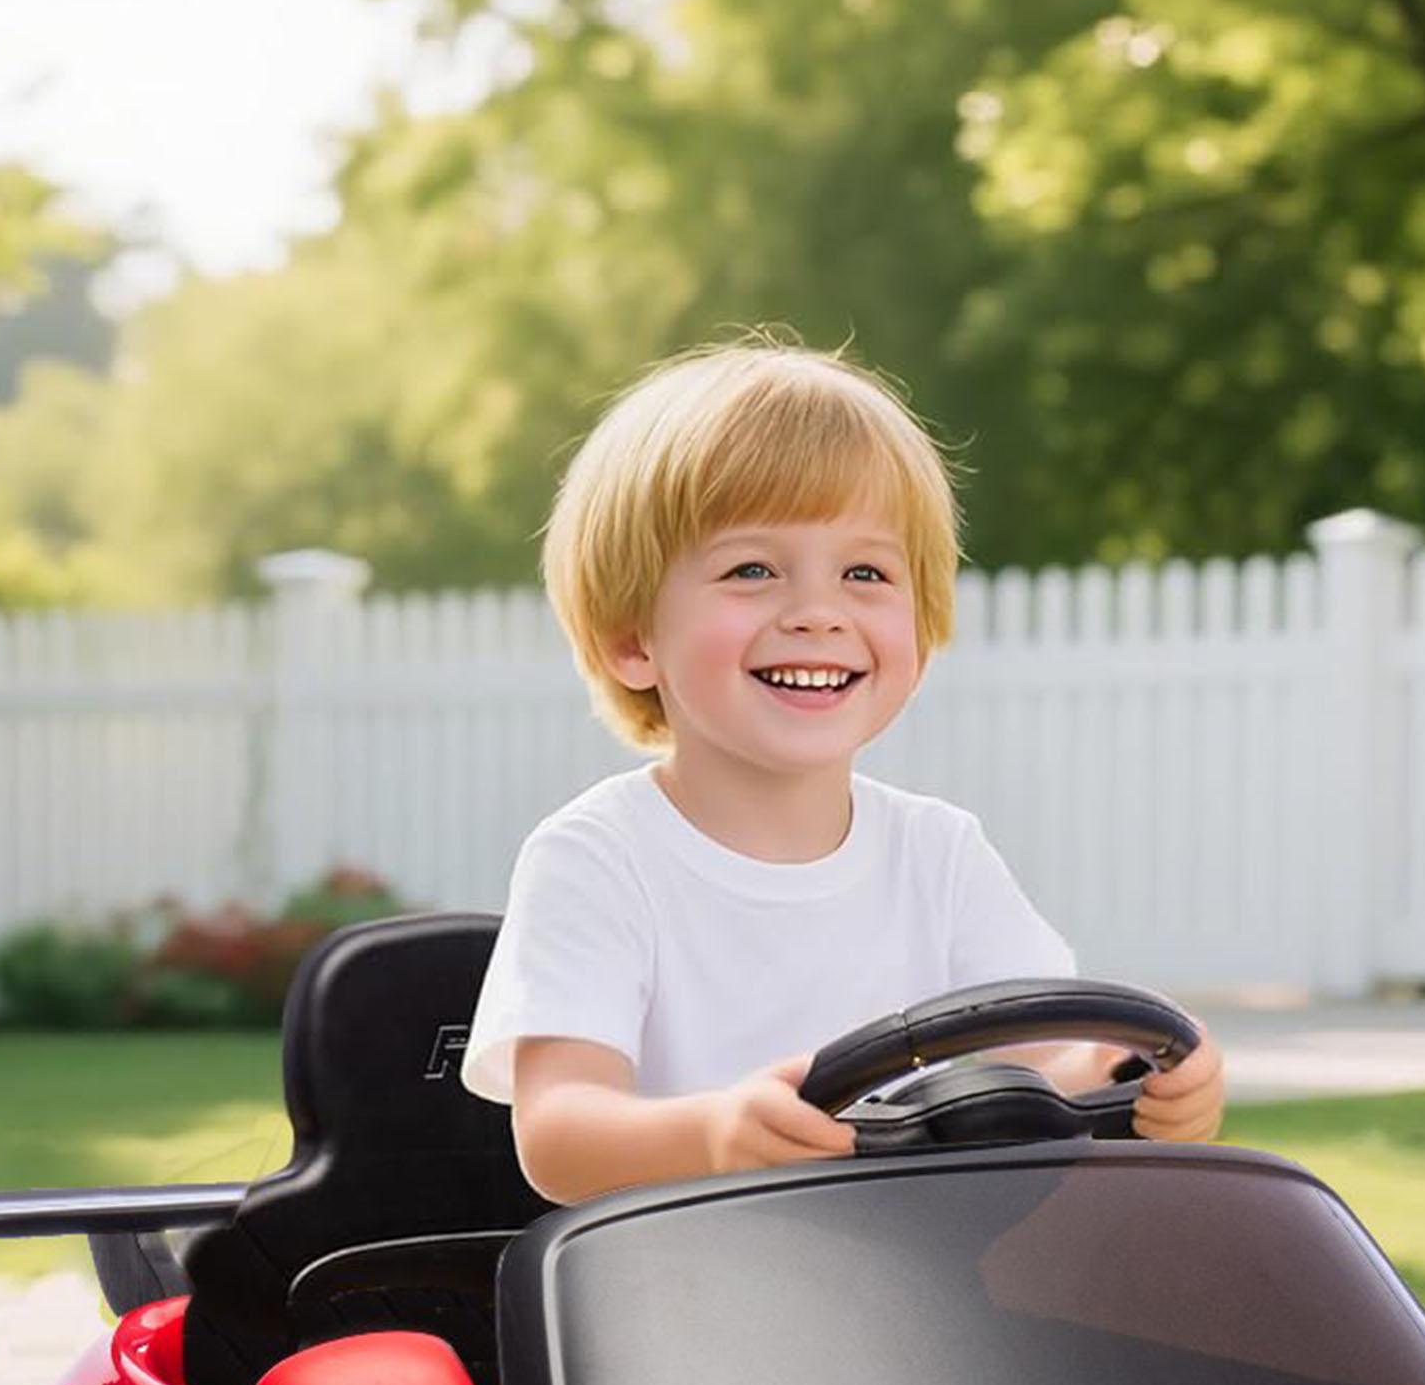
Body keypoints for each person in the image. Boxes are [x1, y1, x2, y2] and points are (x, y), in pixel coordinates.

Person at [461, 335, 1227, 1202]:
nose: (818, 614)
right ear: (634, 640)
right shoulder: (599, 857)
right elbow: (560, 1134)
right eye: (751, 569)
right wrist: (716, 1134)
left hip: (918, 1273)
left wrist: (1134, 1071)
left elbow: (1048, 1051)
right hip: (681, 1294)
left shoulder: (939, 853)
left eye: (864, 571)